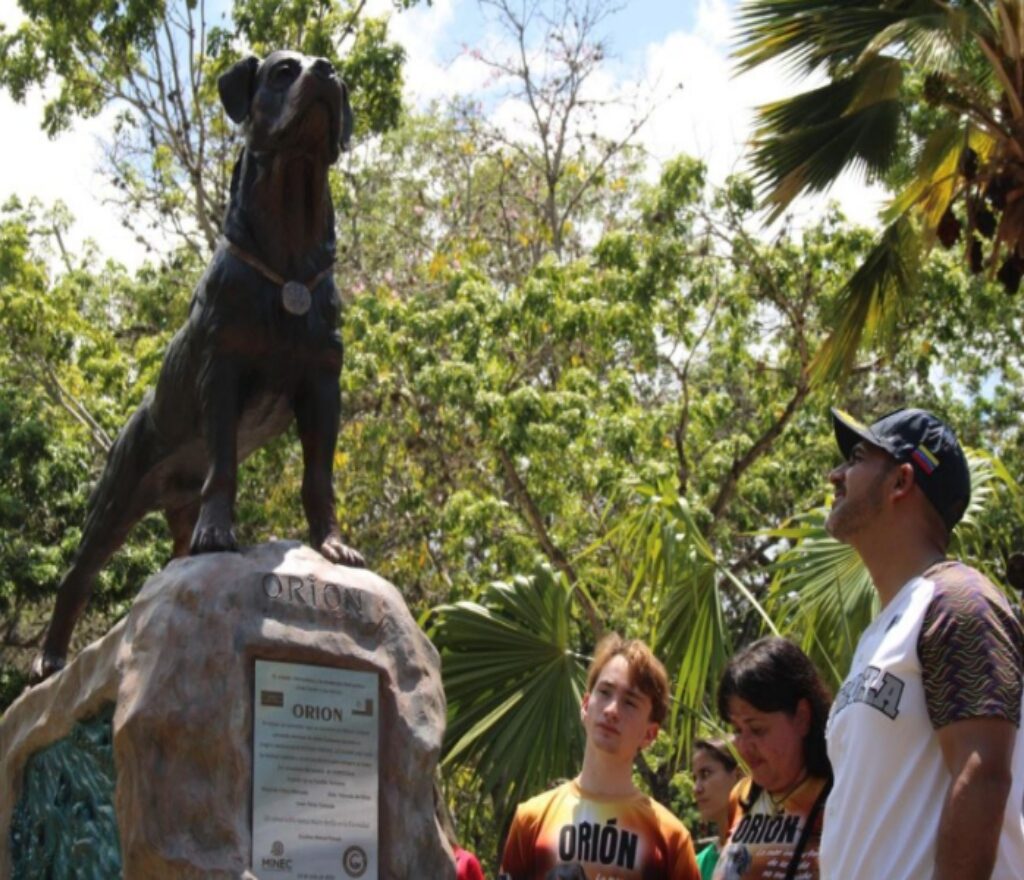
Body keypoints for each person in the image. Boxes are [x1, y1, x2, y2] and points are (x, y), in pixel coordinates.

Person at [822, 406, 1024, 879]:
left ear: (901, 482)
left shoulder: (958, 602)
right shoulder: (881, 632)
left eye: (855, 457)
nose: (836, 474)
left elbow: (983, 774)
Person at [499, 634, 700, 880]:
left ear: (650, 734)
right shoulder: (530, 819)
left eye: (630, 702)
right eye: (605, 692)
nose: (612, 710)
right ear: (585, 706)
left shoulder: (671, 839)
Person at [713, 637, 832, 880]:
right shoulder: (741, 797)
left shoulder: (841, 795)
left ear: (801, 716)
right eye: (736, 730)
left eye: (757, 729)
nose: (744, 747)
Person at [691, 739, 743, 880]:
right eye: (694, 778)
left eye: (705, 774)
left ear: (738, 776)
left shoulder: (768, 855)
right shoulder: (697, 866)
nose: (696, 788)